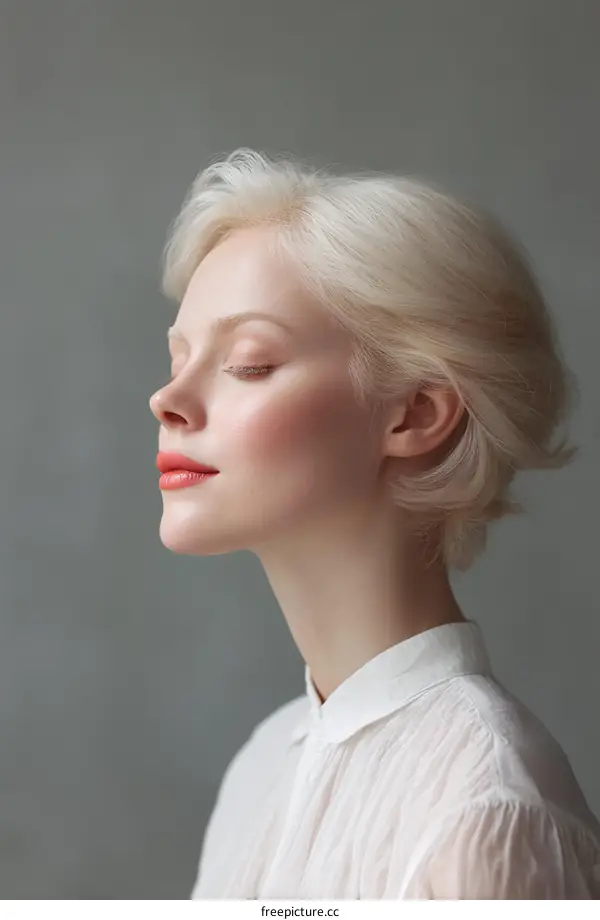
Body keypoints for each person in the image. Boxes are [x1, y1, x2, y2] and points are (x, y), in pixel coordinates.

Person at [148, 148, 600, 899]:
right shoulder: (263, 767)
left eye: (250, 363)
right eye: (179, 357)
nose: (167, 400)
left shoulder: (484, 807)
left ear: (418, 412)